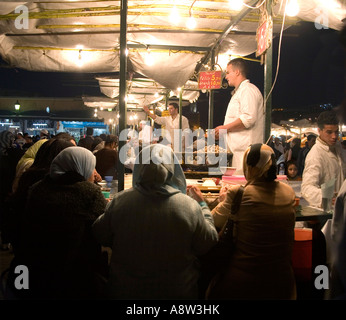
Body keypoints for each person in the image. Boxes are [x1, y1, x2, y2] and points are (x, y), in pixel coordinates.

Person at [92, 144, 218, 299]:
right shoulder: (189, 206)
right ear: (172, 169)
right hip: (177, 293)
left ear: (140, 167)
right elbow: (208, 241)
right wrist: (203, 205)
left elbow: (100, 233)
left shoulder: (120, 202)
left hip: (126, 292)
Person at [6, 147, 108, 300]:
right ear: (81, 166)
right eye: (91, 166)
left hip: (34, 267)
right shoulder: (89, 191)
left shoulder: (37, 188)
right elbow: (102, 227)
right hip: (73, 271)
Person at [198, 144, 296, 300]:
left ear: (249, 167)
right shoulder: (288, 192)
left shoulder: (239, 194)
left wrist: (213, 201)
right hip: (283, 283)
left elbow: (211, 221)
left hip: (242, 284)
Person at [214, 58, 264, 174]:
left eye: (228, 72)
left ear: (237, 72)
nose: (226, 76)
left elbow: (248, 119)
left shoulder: (248, 90)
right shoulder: (239, 92)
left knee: (242, 186)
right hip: (237, 152)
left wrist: (224, 128)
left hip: (245, 152)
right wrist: (224, 131)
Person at [301, 110, 346, 208]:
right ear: (319, 131)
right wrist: (326, 197)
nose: (334, 136)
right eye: (329, 132)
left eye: (336, 132)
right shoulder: (315, 155)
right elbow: (307, 188)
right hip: (324, 214)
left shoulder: (339, 149)